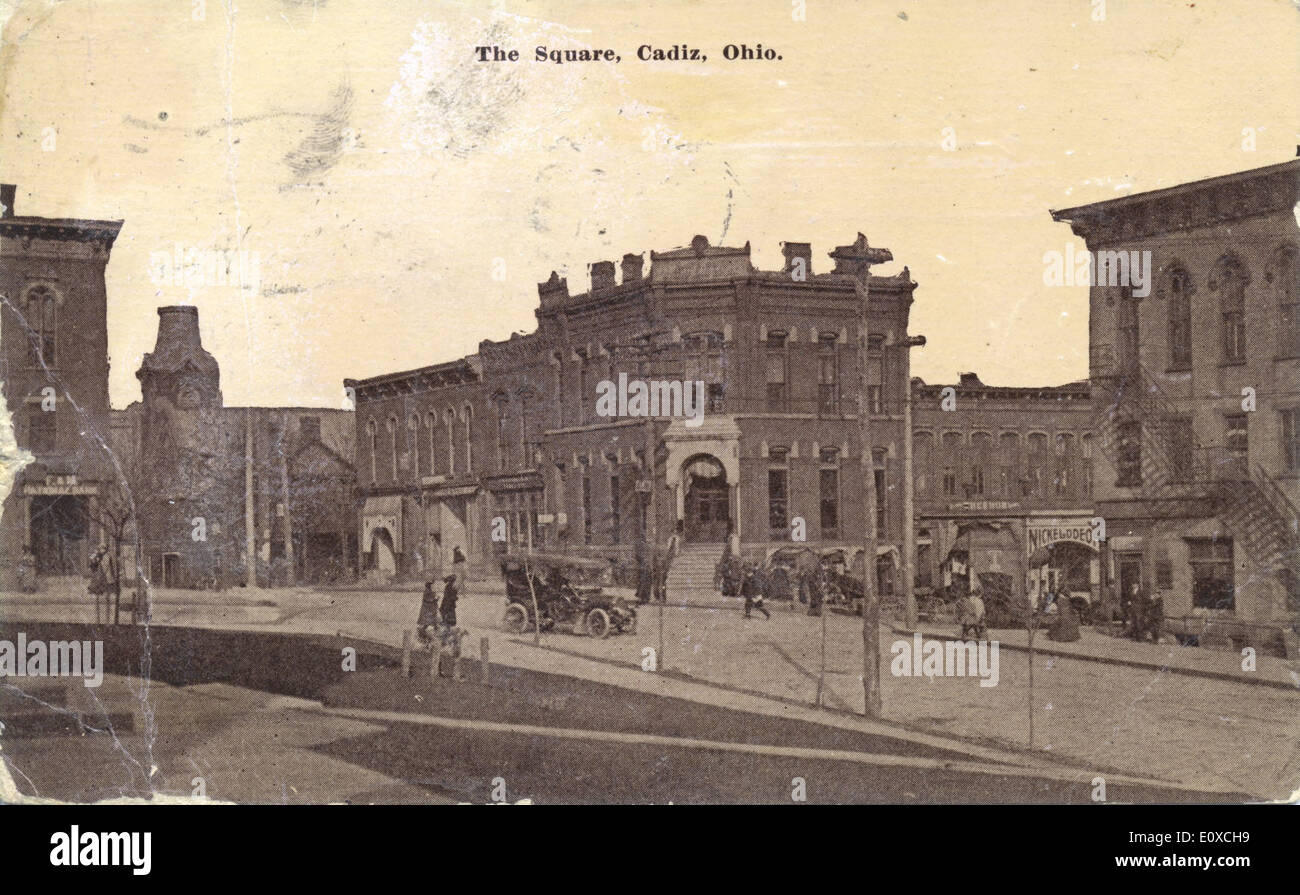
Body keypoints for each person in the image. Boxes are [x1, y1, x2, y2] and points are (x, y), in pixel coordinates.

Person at [416, 581, 439, 646]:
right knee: (429, 623)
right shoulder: (428, 592)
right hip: (427, 611)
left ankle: (429, 638)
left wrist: (435, 599)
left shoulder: (429, 592)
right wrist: (435, 599)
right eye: (432, 586)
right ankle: (429, 638)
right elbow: (428, 600)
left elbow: (430, 600)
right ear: (429, 586)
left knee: (430, 623)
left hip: (429, 610)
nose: (433, 587)